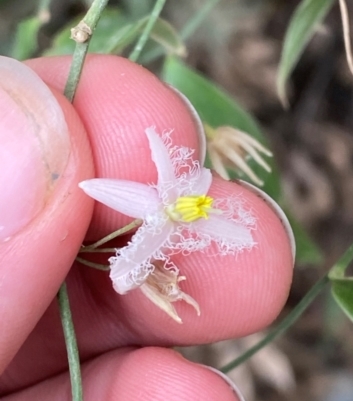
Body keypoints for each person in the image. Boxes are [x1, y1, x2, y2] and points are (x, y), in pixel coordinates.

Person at [0, 54, 294, 400]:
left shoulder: (165, 223)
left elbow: (202, 193)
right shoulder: (158, 216)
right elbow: (117, 178)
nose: (194, 206)